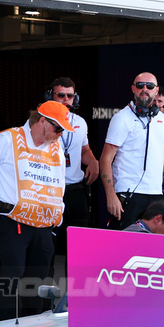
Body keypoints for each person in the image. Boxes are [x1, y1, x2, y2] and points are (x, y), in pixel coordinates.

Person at [0, 101, 74, 315]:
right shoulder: (8, 139)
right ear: (42, 121)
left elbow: (59, 182)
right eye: (58, 128)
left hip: (44, 226)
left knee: (38, 281)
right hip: (13, 221)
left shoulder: (56, 147)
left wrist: (58, 213)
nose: (60, 134)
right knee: (12, 278)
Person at [100, 73, 164, 229]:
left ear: (156, 90)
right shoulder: (122, 118)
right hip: (127, 193)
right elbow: (106, 159)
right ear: (133, 89)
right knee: (123, 245)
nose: (144, 89)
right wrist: (110, 194)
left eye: (149, 86)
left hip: (156, 194)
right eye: (140, 85)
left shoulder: (161, 120)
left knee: (152, 249)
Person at [48, 77, 97, 263]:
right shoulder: (40, 122)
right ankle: (45, 289)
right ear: (50, 96)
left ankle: (76, 290)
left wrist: (93, 161)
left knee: (79, 246)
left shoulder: (81, 122)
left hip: (76, 190)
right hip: (50, 190)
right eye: (60, 95)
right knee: (48, 246)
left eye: (70, 95)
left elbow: (84, 150)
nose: (65, 99)